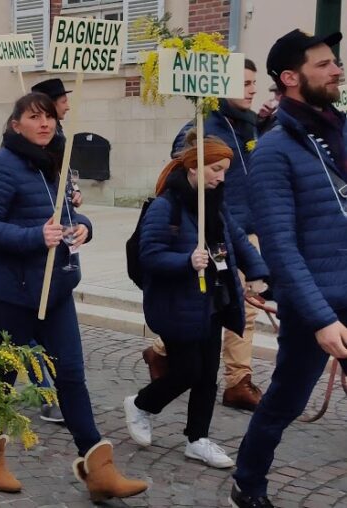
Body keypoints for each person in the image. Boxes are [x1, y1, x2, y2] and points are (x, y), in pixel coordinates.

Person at [0, 93, 145, 501]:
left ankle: (97, 467)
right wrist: (35, 236)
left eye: (49, 117)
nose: (45, 124)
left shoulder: (56, 164)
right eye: (34, 117)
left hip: (57, 290)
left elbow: (65, 214)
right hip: (8, 295)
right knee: (1, 379)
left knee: (70, 374)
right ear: (16, 125)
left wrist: (83, 226)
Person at [231, 29, 347, 508]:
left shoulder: (340, 131)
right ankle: (247, 483)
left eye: (335, 62)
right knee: (285, 401)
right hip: (315, 305)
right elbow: (280, 247)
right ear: (290, 78)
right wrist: (320, 319)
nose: (337, 69)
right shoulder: (274, 150)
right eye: (324, 64)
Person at [124, 136, 268, 471]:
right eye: (215, 169)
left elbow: (236, 240)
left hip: (212, 302)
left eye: (224, 170)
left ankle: (197, 439)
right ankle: (141, 404)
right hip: (176, 305)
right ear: (193, 166)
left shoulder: (215, 204)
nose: (221, 177)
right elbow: (150, 256)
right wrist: (186, 261)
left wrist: (259, 272)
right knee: (188, 370)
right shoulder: (166, 206)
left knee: (208, 375)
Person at [144, 59, 266, 411]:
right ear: (223, 86)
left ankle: (237, 380)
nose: (252, 90)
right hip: (214, 228)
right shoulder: (204, 124)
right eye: (245, 83)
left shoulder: (251, 125)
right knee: (210, 304)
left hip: (245, 227)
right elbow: (181, 162)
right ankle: (165, 352)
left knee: (242, 308)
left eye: (254, 82)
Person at [31, 78, 83, 208]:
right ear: (50, 105)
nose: (68, 107)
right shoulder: (36, 137)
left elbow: (63, 168)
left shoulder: (58, 130)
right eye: (63, 102)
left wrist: (74, 190)